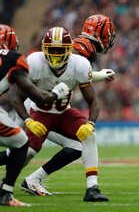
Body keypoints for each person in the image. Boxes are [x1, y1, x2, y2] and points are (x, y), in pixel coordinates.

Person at [0, 14, 115, 202]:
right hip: (36, 104)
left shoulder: (79, 60)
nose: (56, 56)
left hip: (59, 108)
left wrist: (91, 122)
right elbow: (28, 90)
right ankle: (17, 182)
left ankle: (28, 181)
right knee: (22, 148)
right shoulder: (52, 58)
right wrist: (29, 118)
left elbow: (75, 76)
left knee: (25, 150)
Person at [0, 24, 69, 206]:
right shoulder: (14, 58)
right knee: (21, 142)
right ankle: (5, 193)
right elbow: (34, 94)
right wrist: (56, 94)